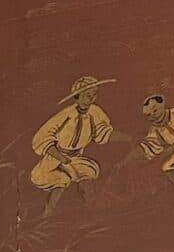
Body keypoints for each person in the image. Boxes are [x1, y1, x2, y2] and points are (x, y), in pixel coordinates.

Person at [30, 75, 115, 210]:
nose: (92, 98)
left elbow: (102, 134)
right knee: (61, 181)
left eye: (94, 94)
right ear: (78, 96)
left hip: (75, 158)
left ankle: (90, 209)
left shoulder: (95, 112)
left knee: (87, 175)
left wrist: (128, 138)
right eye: (88, 95)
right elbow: (41, 138)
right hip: (55, 158)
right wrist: (61, 158)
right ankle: (48, 215)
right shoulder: (66, 114)